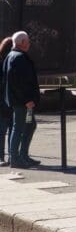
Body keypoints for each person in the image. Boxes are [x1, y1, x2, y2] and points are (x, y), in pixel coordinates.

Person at [2, 32, 40, 168]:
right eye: (28, 41)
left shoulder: (11, 56)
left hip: (20, 101)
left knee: (29, 125)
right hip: (22, 102)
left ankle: (22, 155)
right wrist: (27, 99)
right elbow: (18, 83)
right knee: (19, 127)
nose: (29, 43)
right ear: (22, 42)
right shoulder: (18, 57)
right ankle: (15, 158)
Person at [0, 38, 12, 166]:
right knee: (6, 129)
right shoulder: (6, 62)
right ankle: (9, 155)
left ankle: (3, 156)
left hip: (4, 100)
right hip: (6, 100)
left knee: (3, 130)